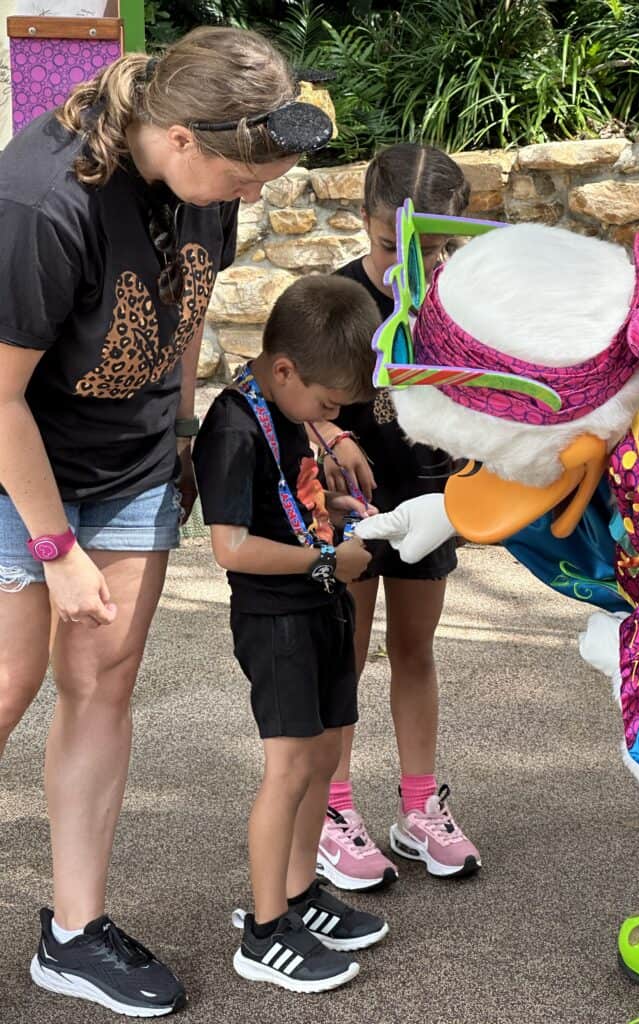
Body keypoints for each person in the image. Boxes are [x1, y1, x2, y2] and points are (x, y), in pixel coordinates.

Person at [0, 26, 334, 1016]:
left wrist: (181, 437)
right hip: (19, 467)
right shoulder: (41, 200)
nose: (253, 196)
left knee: (101, 681)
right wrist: (57, 550)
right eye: (244, 179)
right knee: (10, 681)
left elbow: (185, 314)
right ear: (183, 137)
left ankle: (73, 933)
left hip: (133, 463)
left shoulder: (205, 183)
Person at [192, 274, 389, 993]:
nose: (332, 418)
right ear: (284, 371)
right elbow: (232, 546)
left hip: (319, 604)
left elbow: (287, 500)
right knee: (288, 769)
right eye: (329, 405)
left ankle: (300, 893)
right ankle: (266, 928)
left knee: (321, 755)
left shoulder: (283, 408)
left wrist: (336, 507)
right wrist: (328, 559)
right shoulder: (233, 425)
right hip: (277, 619)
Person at [312, 144, 481, 891]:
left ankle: (419, 810)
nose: (408, 266)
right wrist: (329, 435)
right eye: (392, 246)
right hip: (350, 508)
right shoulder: (333, 299)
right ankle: (332, 808)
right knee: (343, 655)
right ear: (364, 222)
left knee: (414, 649)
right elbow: (285, 393)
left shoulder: (462, 306)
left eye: (434, 250)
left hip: (431, 500)